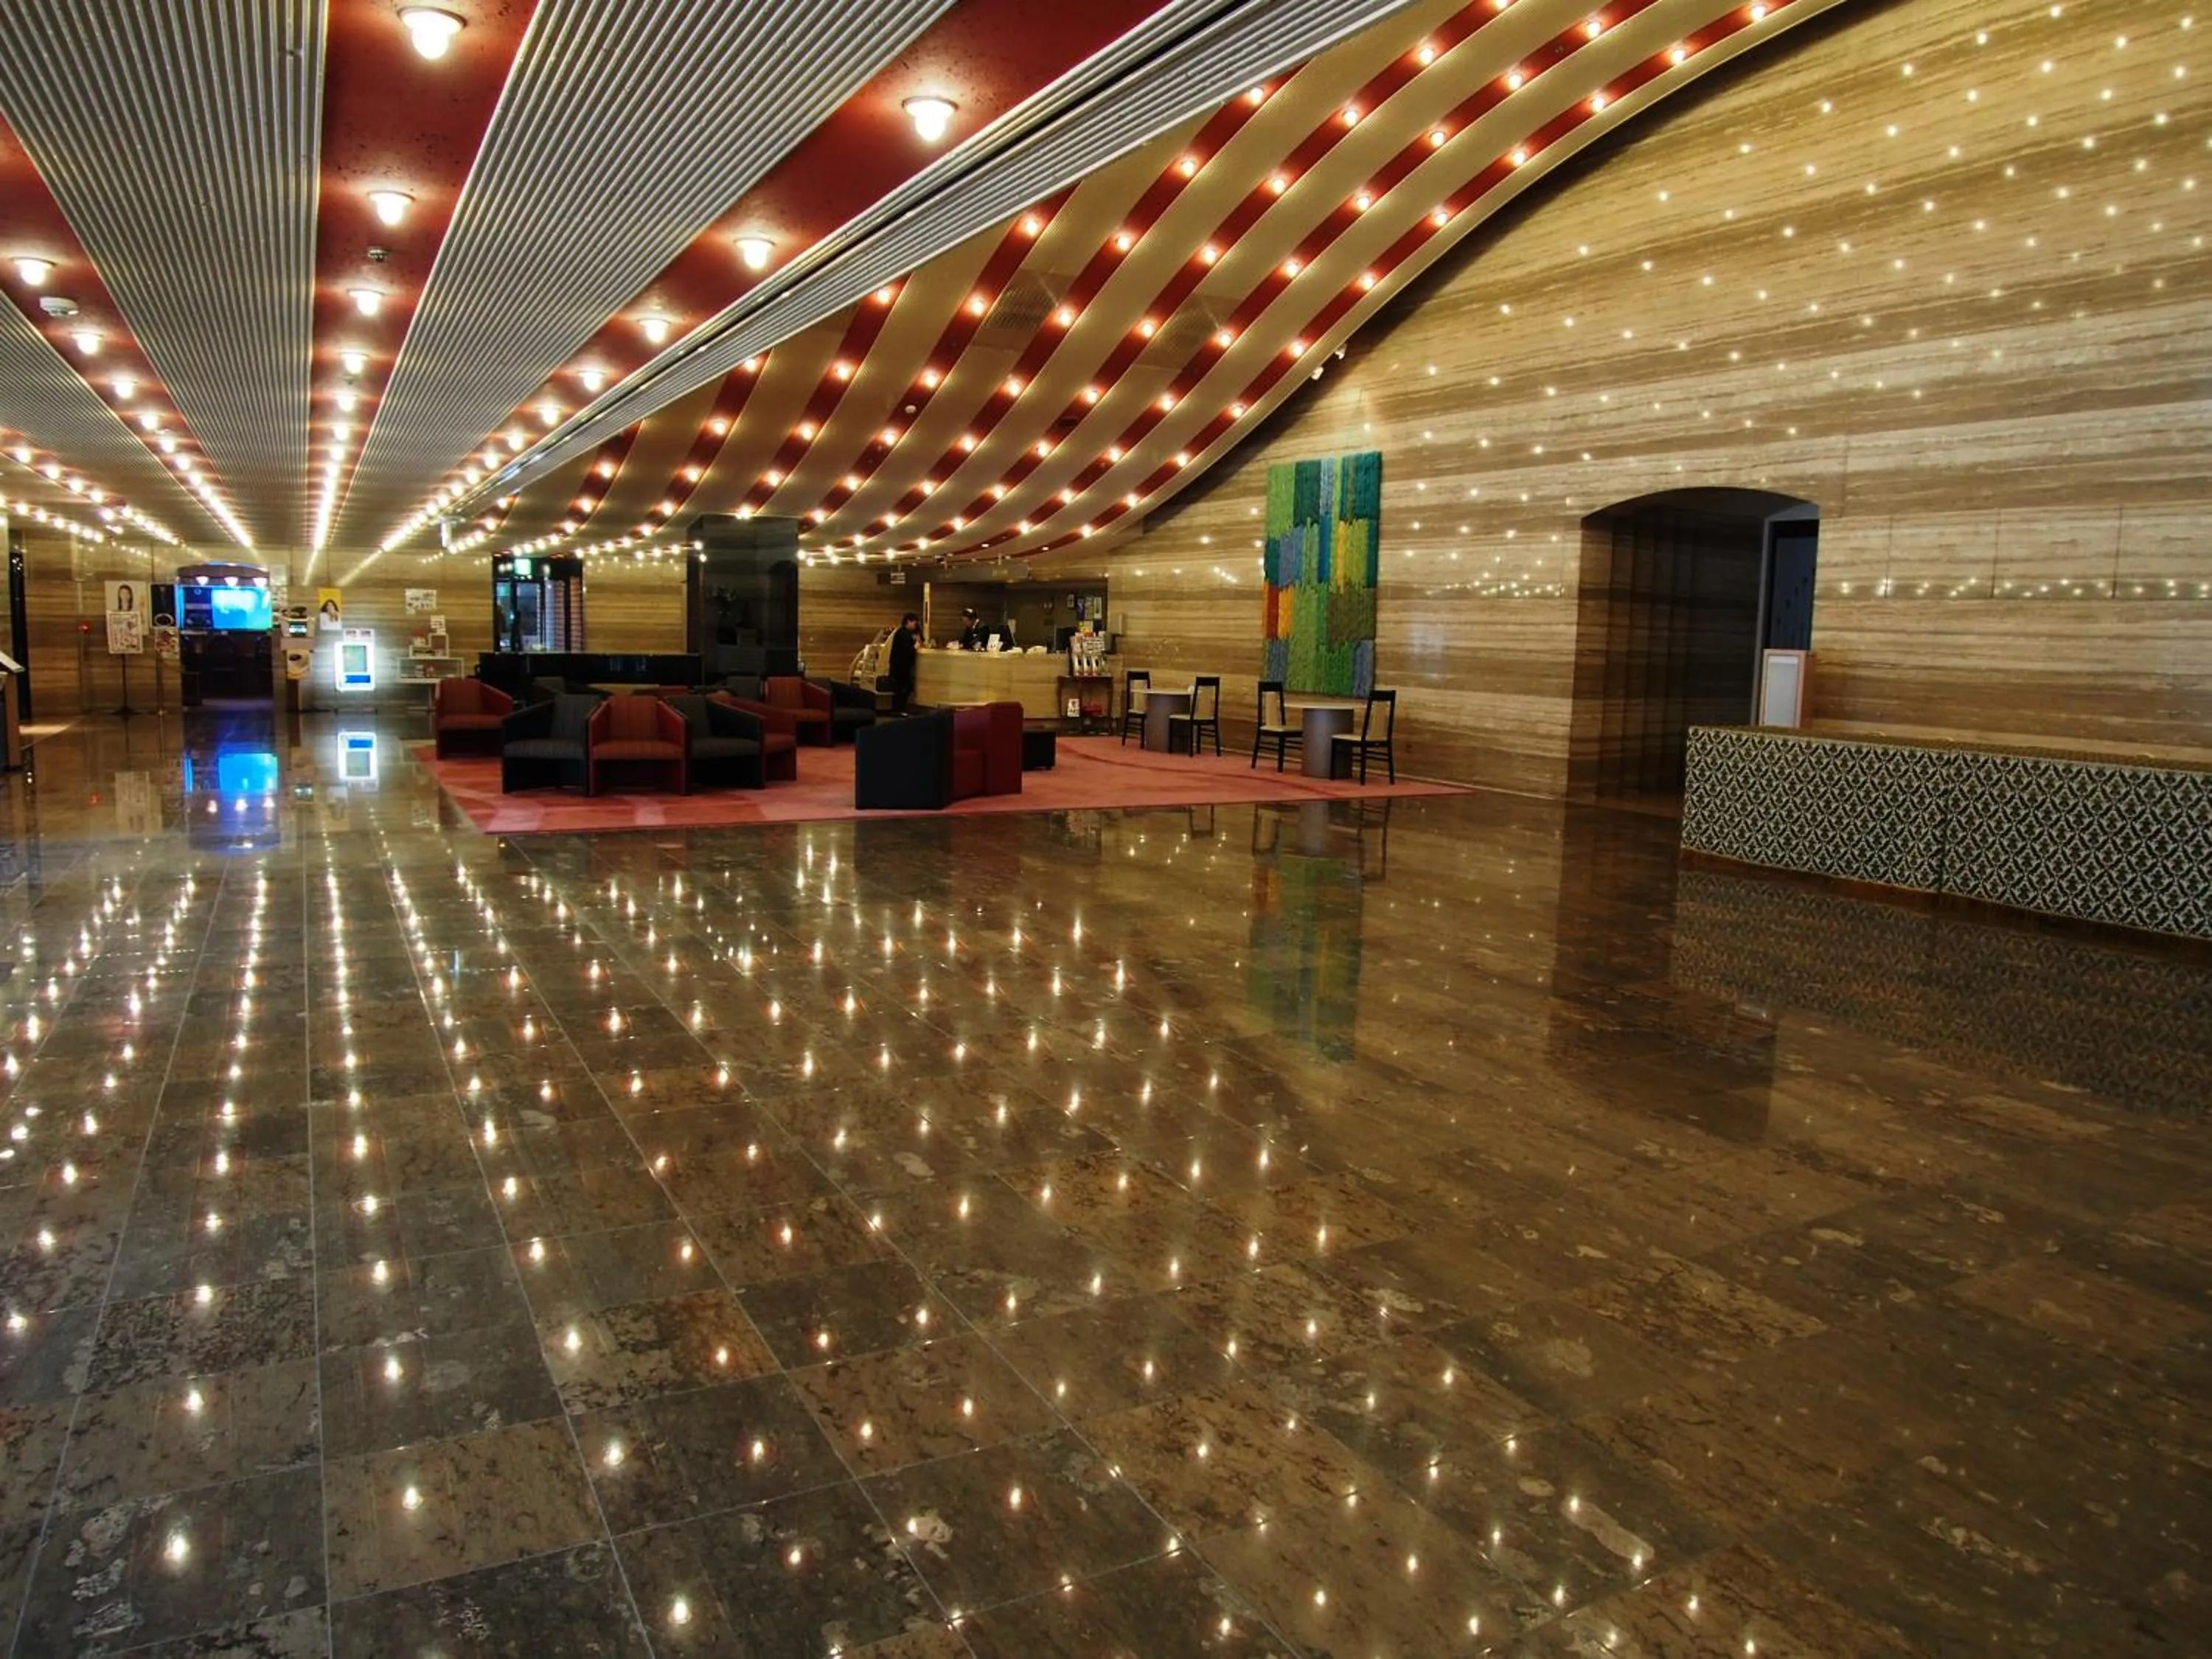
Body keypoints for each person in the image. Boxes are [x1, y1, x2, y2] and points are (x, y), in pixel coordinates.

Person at [887, 612, 919, 714]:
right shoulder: (904, 634)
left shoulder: (901, 632)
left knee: (901, 689)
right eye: (914, 623)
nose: (915, 625)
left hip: (898, 666)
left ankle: (898, 710)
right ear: (908, 621)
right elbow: (907, 650)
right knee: (903, 689)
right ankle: (899, 710)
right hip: (901, 667)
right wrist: (915, 647)